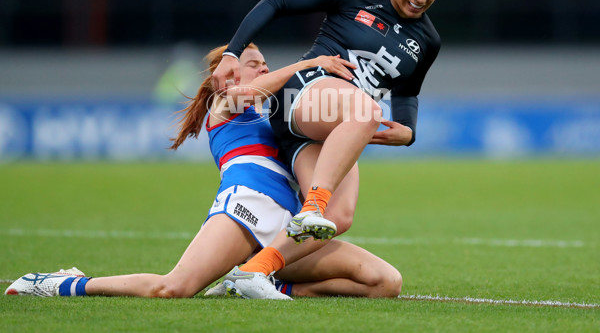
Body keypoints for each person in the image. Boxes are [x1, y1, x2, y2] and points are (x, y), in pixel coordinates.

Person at [4, 44, 402, 299]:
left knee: (384, 282)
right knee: (172, 288)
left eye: (266, 63)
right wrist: (310, 64)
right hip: (247, 208)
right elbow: (256, 91)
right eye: (253, 64)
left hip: (288, 228)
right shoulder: (225, 106)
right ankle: (61, 283)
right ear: (227, 74)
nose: (264, 69)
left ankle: (252, 279)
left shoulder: (285, 119)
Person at [212, 0, 448, 296]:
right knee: (367, 111)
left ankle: (253, 273)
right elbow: (276, 3)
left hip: (331, 127)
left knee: (338, 217)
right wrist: (233, 53)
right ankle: (310, 208)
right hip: (302, 94)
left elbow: (407, 91)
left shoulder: (428, 40)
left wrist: (409, 131)